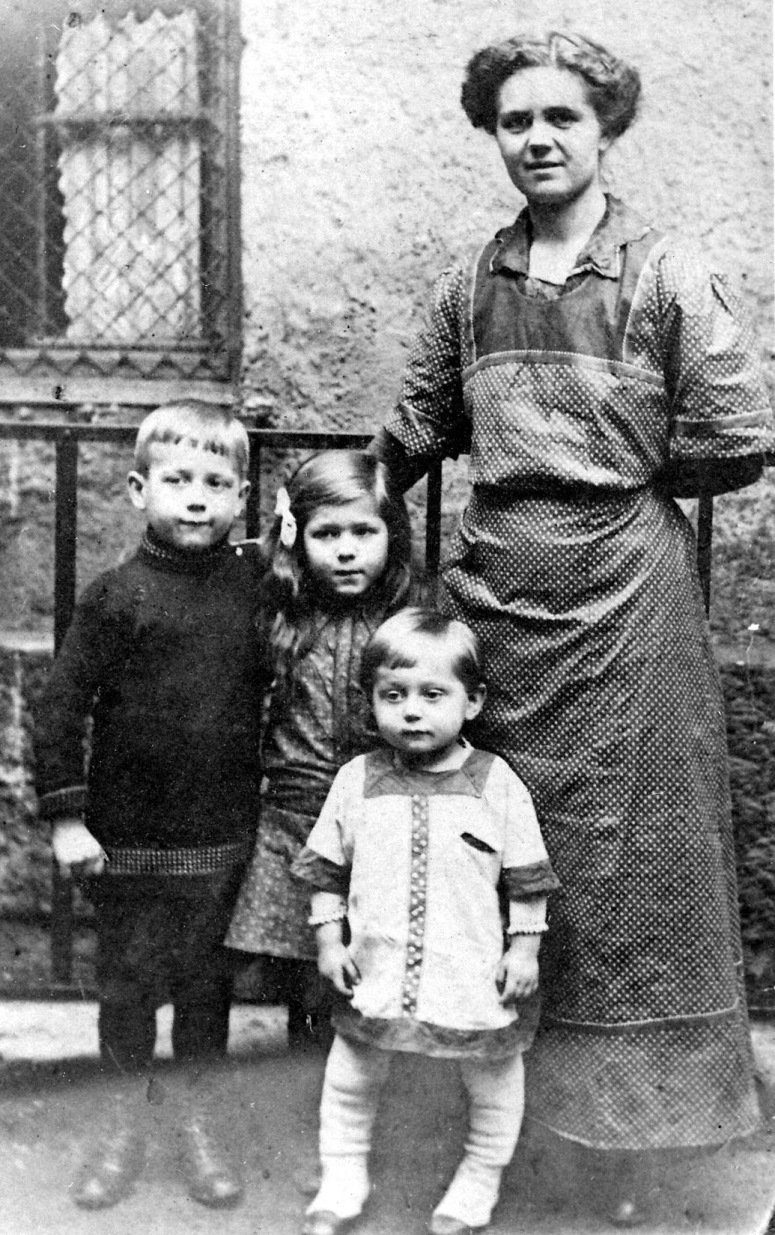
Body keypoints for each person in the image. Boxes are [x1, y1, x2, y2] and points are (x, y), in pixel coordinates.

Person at [369, 31, 775, 1225]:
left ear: (604, 131)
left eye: (561, 118)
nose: (537, 139)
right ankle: (500, 1136)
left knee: (634, 867)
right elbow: (414, 422)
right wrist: (340, 505)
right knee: (502, 856)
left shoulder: (661, 272)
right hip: (498, 594)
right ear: (491, 136)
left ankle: (634, 1151)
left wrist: (618, 483)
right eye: (514, 121)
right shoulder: (470, 282)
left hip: (628, 603)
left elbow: (739, 430)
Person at [33, 401, 263, 1210]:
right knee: (126, 990)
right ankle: (120, 1125)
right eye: (177, 481)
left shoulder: (253, 591)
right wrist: (66, 817)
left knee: (206, 991)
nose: (195, 499)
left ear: (240, 498)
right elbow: (58, 708)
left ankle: (199, 1123)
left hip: (219, 835)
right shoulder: (115, 597)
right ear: (139, 488)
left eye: (215, 483)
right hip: (126, 838)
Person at [291, 608, 560, 1235]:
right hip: (377, 968)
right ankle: (343, 1175)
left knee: (492, 1075)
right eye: (394, 696)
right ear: (373, 703)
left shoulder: (495, 782)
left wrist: (523, 953)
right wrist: (330, 942)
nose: (412, 711)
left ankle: (478, 1179)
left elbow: (527, 877)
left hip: (467, 970)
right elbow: (325, 871)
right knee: (352, 1072)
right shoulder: (356, 779)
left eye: (432, 695)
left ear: (472, 702)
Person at [226, 451, 413, 1048]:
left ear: (392, 535)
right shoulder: (283, 615)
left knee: (372, 972)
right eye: (326, 534)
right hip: (295, 821)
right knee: (305, 979)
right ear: (297, 537)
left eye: (365, 531)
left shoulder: (407, 619)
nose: (347, 549)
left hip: (380, 822)